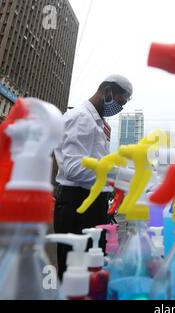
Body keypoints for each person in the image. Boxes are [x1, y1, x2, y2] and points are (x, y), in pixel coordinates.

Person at [53, 75, 133, 279]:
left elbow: (96, 162)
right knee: (76, 274)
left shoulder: (98, 123)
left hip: (91, 203)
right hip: (78, 204)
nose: (119, 108)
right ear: (107, 91)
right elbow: (73, 168)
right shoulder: (82, 118)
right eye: (119, 102)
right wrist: (117, 175)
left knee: (94, 270)